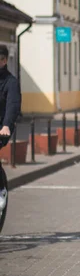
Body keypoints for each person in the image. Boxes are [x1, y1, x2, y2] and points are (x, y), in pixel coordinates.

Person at [0, 45, 22, 213]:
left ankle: (1, 191)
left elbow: (12, 105)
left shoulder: (11, 82)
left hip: (2, 127)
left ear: (4, 60)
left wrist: (7, 124)